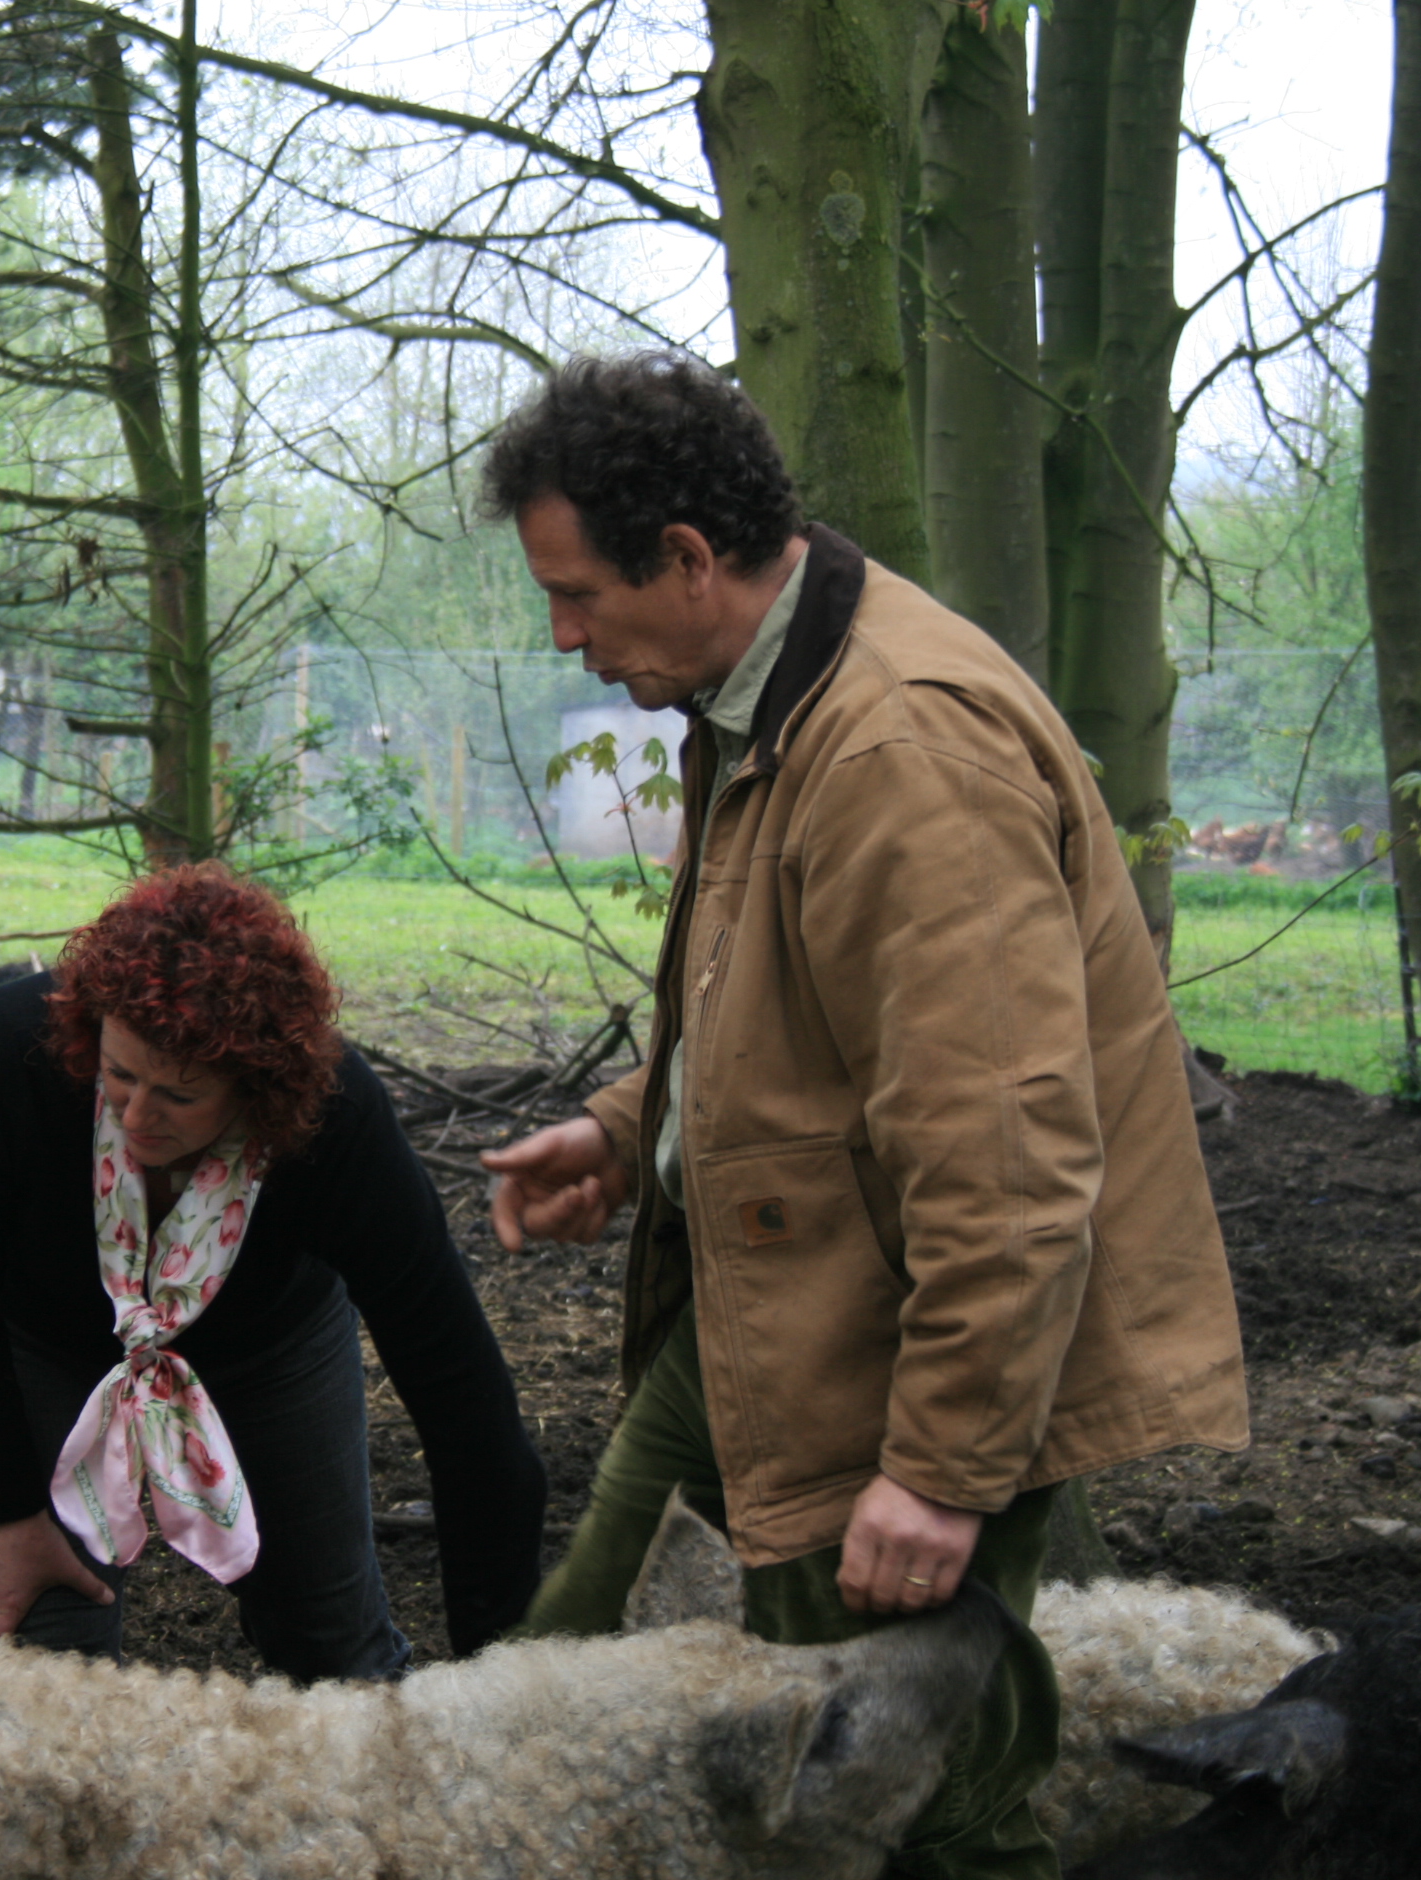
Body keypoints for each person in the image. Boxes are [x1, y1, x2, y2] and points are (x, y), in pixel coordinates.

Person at [476, 354, 1249, 1878]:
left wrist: (944, 1472)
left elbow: (1010, 1159)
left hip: (902, 1352)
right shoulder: (764, 694)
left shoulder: (902, 749)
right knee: (564, 1675)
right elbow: (802, 1018)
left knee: (921, 1799)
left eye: (577, 595)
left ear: (689, 560)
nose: (566, 636)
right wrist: (635, 1134)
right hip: (772, 1310)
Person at [0, 863, 547, 1680]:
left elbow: (461, 1392)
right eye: (121, 1074)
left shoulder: (335, 1123)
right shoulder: (7, 1054)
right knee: (47, 1664)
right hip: (55, 1341)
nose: (135, 1117)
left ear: (257, 1092)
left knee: (334, 1655)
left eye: (179, 1095)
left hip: (271, 1345)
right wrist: (4, 1510)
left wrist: (504, 1670)